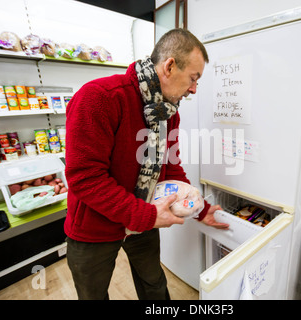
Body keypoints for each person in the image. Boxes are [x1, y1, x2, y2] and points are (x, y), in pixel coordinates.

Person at [64, 28, 229, 300]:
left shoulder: (168, 112)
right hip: (95, 227)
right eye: (193, 78)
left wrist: (199, 207)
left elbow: (171, 168)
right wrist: (146, 215)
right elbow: (85, 178)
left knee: (154, 284)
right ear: (170, 66)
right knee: (92, 295)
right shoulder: (99, 97)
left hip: (144, 217)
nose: (194, 89)